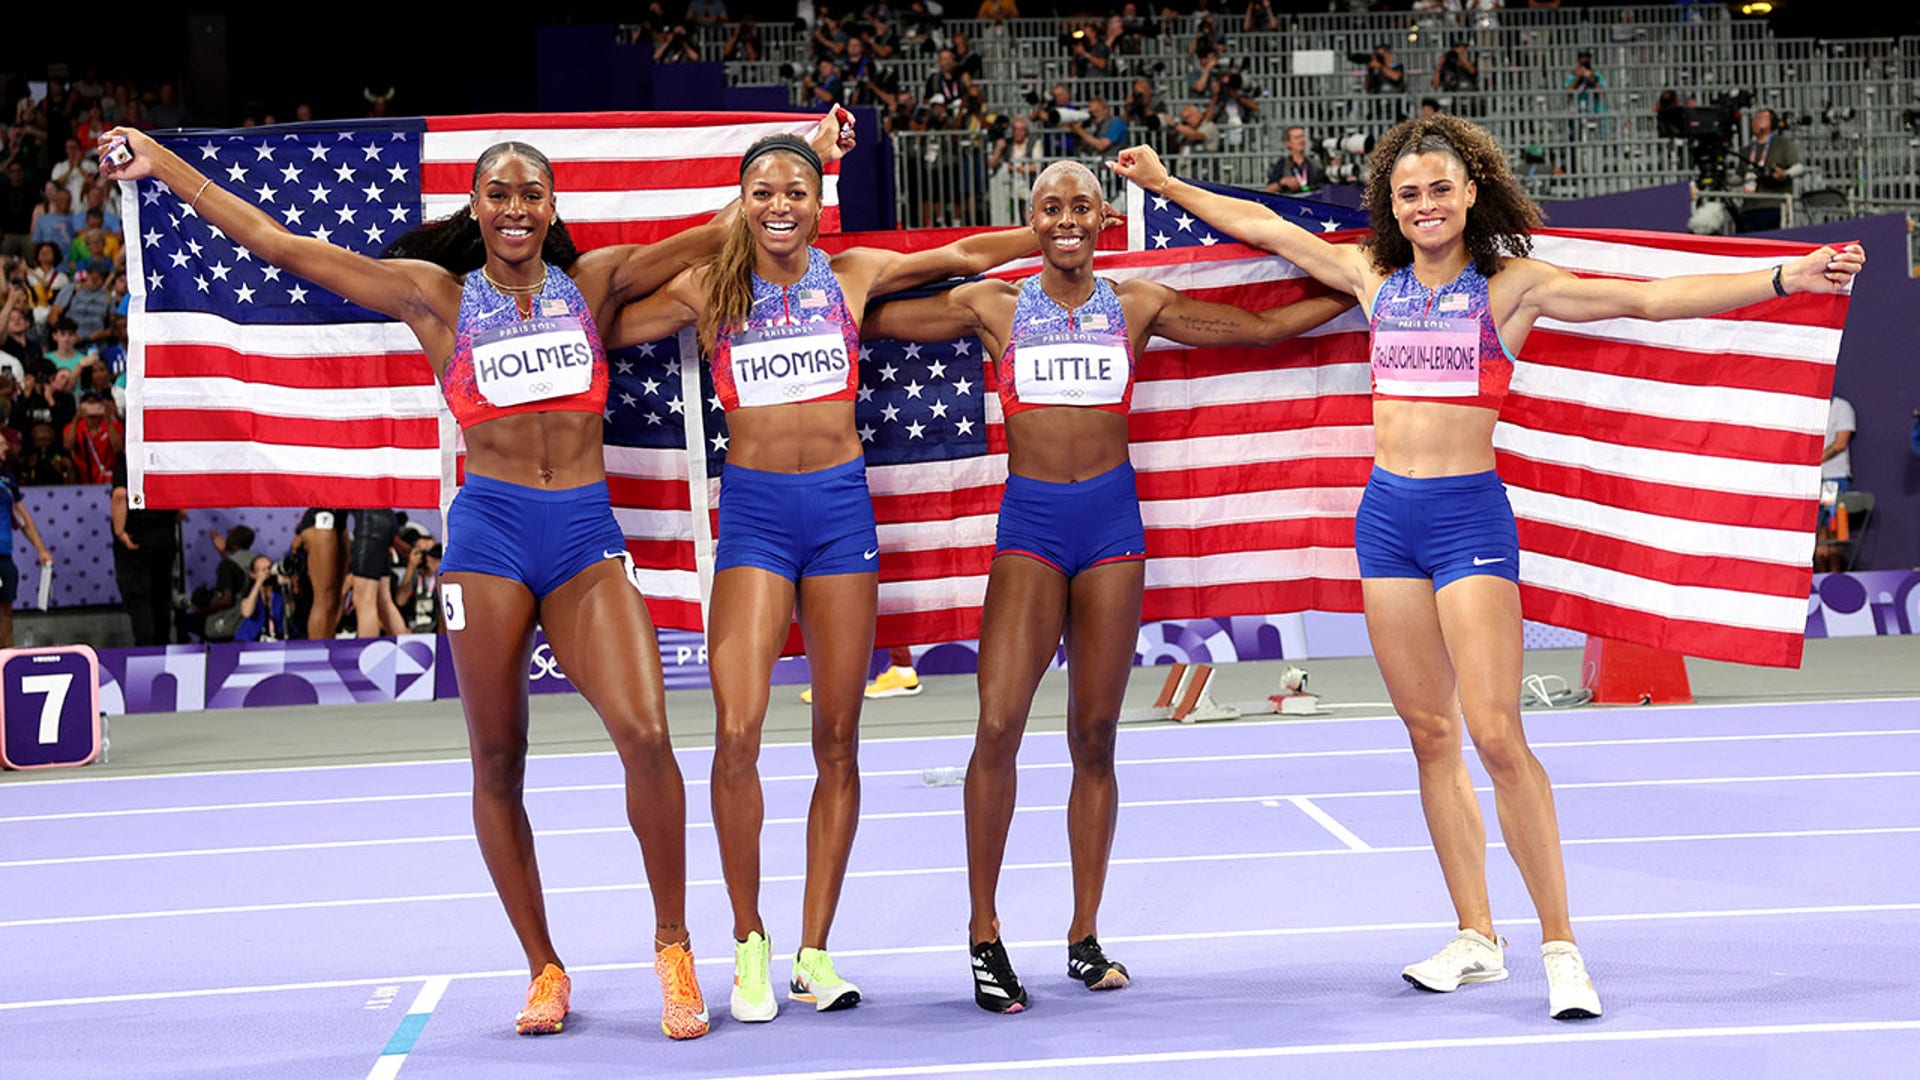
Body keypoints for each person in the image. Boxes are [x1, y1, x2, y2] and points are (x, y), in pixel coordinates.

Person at [99, 113, 852, 1040]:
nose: (514, 208)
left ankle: (673, 949)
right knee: (498, 762)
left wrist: (810, 158)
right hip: (490, 539)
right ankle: (543, 967)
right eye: (498, 194)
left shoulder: (595, 284)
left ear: (549, 207)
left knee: (648, 736)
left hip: (582, 535)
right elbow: (281, 245)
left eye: (530, 194)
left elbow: (735, 222)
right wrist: (165, 164)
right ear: (476, 205)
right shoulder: (435, 298)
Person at [1109, 117, 1864, 1021]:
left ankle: (1561, 946)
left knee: (1498, 735)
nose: (1425, 205)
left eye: (1439, 189)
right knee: (1430, 735)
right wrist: (1165, 183)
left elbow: (1649, 302)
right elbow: (1265, 229)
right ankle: (1477, 935)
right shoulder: (1372, 278)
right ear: (1391, 207)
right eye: (1407, 193)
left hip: (1469, 519)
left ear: (1470, 194)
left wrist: (1787, 274)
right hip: (1386, 523)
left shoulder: (1513, 289)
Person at [862, 160, 1356, 1014]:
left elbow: (1262, 332)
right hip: (1032, 532)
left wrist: (1366, 292)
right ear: (1030, 216)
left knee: (1095, 736)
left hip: (1113, 533)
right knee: (997, 727)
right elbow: (865, 317)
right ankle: (984, 933)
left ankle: (1084, 935)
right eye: (1049, 207)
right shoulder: (994, 305)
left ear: (1101, 218)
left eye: (1080, 206)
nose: (1064, 219)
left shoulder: (1140, 305)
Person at [609, 133, 1043, 1025]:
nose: (780, 204)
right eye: (761, 190)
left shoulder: (850, 275)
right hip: (758, 522)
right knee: (738, 732)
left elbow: (959, 259)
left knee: (839, 741)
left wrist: (1045, 231)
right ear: (741, 200)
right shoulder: (710, 288)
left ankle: (813, 948)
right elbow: (602, 325)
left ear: (820, 202)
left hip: (843, 516)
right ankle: (748, 944)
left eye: (796, 191)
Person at [0, 463, 53, 646]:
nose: (5, 448)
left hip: (4, 557)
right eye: (0, 444)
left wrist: (41, 549)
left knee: (5, 612)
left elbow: (23, 519)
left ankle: (6, 663)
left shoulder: (7, 481)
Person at [1738, 108, 1801, 233]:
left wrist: (1784, 174)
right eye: (1754, 119)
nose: (1755, 122)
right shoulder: (1747, 150)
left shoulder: (1783, 144)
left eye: (1761, 118)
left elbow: (1798, 167)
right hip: (1749, 207)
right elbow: (1739, 177)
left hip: (1774, 205)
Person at [292, 507, 347, 640]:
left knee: (335, 598)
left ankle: (327, 644)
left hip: (339, 519)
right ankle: (316, 651)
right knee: (324, 597)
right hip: (320, 518)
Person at [1814, 394, 1855, 573]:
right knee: (1817, 531)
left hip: (1832, 479)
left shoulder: (1841, 407)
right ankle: (1821, 578)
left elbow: (1840, 443)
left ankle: (1835, 577)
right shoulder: (1809, 408)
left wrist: (1814, 460)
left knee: (1833, 529)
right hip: (1812, 481)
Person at [1266, 126, 1329, 195]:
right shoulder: (1282, 164)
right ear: (1288, 143)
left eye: (1302, 136)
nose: (1301, 140)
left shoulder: (1315, 164)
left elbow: (1325, 186)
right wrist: (1282, 183)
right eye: (1297, 138)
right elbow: (1269, 189)